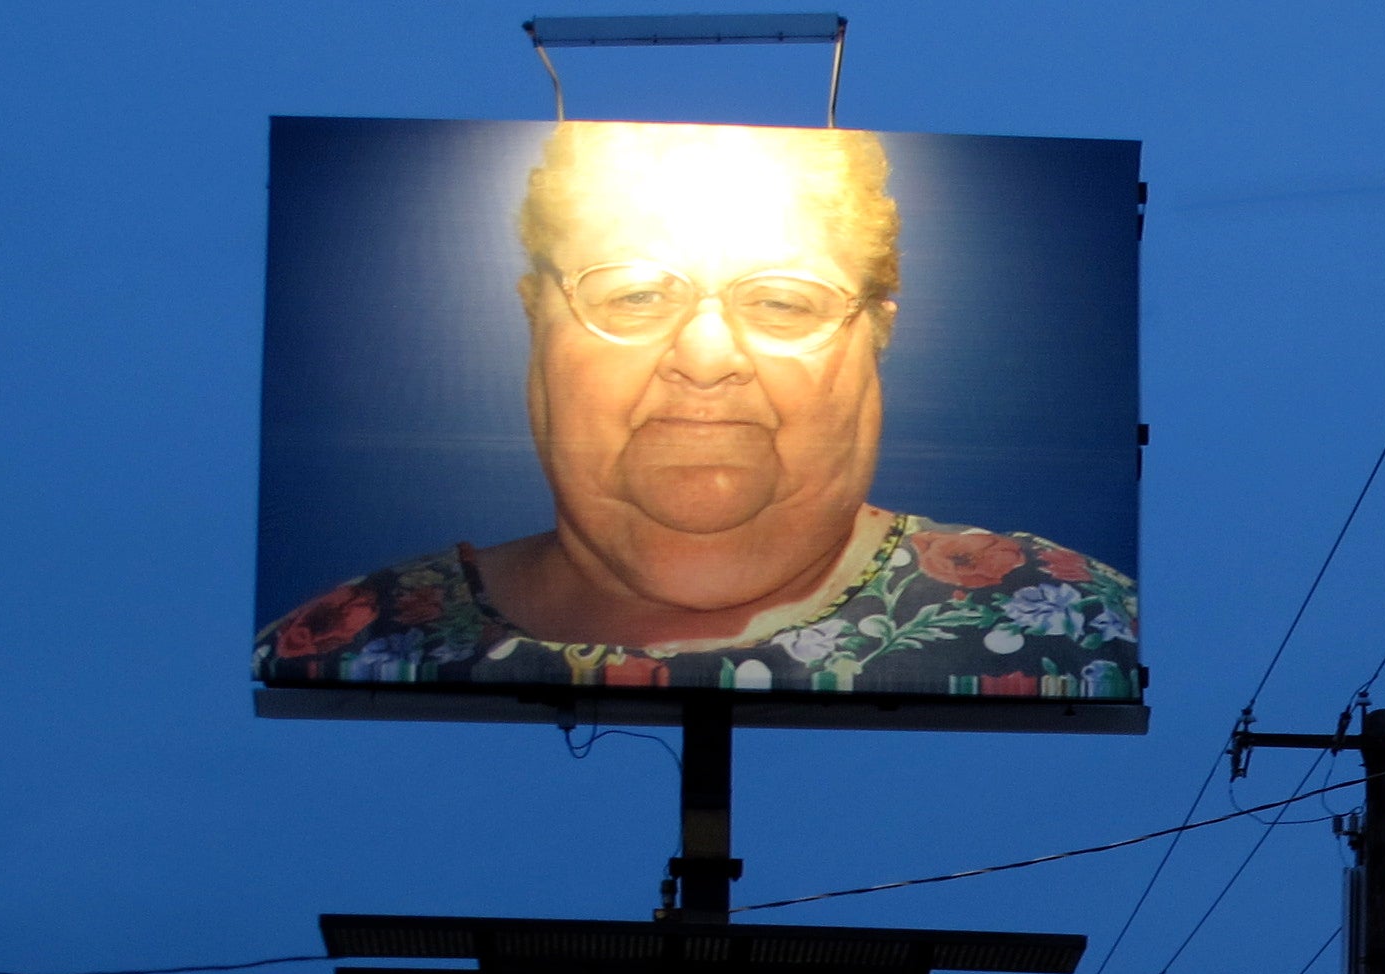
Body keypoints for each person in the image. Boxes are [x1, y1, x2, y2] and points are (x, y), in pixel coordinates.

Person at [256, 121, 1136, 702]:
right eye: (636, 296)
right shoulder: (343, 642)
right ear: (535, 315)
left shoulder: (1078, 630)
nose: (708, 359)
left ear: (876, 332)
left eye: (784, 302)